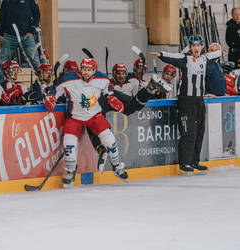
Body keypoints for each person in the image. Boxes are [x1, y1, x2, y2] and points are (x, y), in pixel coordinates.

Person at [44, 57, 128, 184]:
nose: (86, 72)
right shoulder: (69, 79)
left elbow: (109, 91)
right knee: (69, 142)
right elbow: (55, 91)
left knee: (109, 139)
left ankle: (116, 167)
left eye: (89, 70)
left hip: (94, 115)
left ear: (94, 70)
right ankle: (71, 171)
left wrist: (112, 99)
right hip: (75, 117)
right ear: (80, 69)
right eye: (84, 69)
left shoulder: (102, 79)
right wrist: (51, 98)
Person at [150, 35, 223, 173]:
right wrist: (161, 54)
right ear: (190, 47)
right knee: (188, 133)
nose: (196, 48)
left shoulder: (205, 58)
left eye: (198, 45)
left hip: (199, 100)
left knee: (199, 132)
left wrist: (223, 52)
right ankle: (185, 163)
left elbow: (216, 53)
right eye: (193, 45)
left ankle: (195, 161)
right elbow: (173, 57)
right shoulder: (185, 58)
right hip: (186, 101)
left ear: (202, 46)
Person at [87, 63, 172, 172]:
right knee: (131, 106)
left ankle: (100, 148)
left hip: (101, 100)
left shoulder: (80, 80)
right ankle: (150, 88)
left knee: (92, 124)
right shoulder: (97, 76)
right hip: (107, 96)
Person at [0, 0, 41, 81]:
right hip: (9, 37)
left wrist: (32, 30)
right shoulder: (6, 2)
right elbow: (2, 20)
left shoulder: (29, 1)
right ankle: (0, 85)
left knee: (35, 60)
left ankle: (43, 84)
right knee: (3, 61)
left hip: (26, 37)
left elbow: (37, 14)